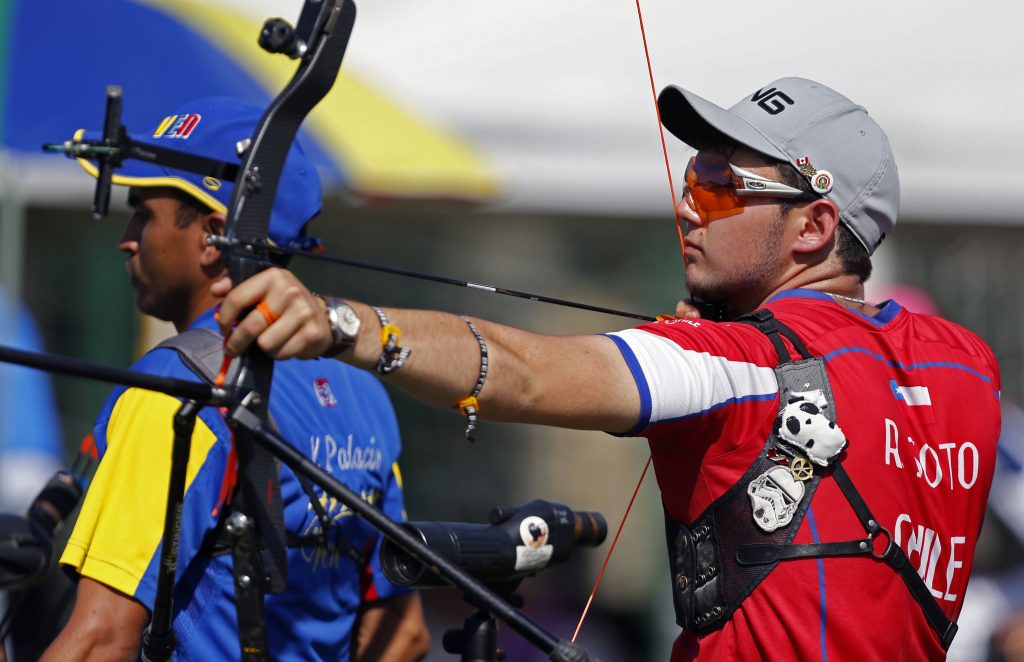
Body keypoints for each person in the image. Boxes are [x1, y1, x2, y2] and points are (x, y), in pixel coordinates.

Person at [214, 77, 1002, 659]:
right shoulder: (969, 370)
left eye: (723, 185)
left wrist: (341, 323)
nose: (690, 203)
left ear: (815, 225)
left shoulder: (742, 364)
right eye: (694, 177)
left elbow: (525, 371)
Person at [41, 97, 429, 661]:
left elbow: (101, 641)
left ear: (213, 234)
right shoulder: (362, 387)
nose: (127, 237)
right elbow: (403, 633)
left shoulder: (175, 386)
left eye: (143, 213)